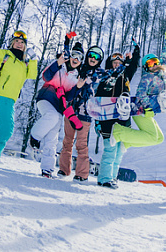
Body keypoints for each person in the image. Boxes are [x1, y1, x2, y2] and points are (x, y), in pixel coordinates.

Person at [0, 30, 38, 165]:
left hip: (11, 98)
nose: (19, 44)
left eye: (22, 42)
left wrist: (34, 60)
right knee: (7, 127)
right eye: (16, 41)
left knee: (8, 127)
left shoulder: (24, 64)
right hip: (1, 93)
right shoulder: (6, 54)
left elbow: (32, 75)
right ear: (12, 43)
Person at [30, 37, 85, 178]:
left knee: (53, 136)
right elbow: (45, 76)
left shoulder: (76, 76)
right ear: (70, 56)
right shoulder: (60, 66)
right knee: (52, 117)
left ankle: (47, 169)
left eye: (79, 57)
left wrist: (78, 87)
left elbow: (69, 97)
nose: (76, 59)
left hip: (59, 106)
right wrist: (58, 62)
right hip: (46, 97)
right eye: (74, 55)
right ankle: (34, 137)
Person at [93, 47, 140, 189]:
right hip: (107, 118)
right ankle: (104, 178)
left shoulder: (126, 76)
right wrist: (97, 121)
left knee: (120, 149)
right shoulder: (105, 77)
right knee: (110, 148)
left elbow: (133, 66)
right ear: (110, 63)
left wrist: (135, 54)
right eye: (114, 62)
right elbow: (98, 100)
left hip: (122, 117)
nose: (117, 64)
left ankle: (112, 177)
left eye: (119, 62)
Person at [58, 45, 104, 182]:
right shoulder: (79, 69)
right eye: (91, 55)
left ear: (100, 59)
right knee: (67, 141)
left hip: (86, 112)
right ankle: (64, 169)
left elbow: (115, 75)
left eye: (96, 57)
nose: (93, 59)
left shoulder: (100, 73)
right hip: (71, 110)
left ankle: (82, 174)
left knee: (82, 144)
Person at [110, 52, 166, 148]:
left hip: (148, 111)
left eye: (155, 62)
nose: (154, 65)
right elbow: (140, 94)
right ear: (146, 67)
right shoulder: (147, 77)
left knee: (159, 138)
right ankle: (118, 131)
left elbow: (165, 56)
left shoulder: (160, 74)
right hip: (140, 109)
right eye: (150, 63)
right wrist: (147, 107)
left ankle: (127, 142)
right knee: (153, 137)